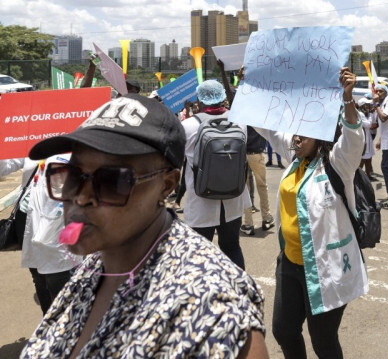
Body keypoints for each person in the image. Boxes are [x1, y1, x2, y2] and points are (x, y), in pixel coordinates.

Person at [22, 93, 267, 357]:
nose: (81, 197)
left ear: (167, 184)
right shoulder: (98, 266)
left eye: (112, 181)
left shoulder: (213, 308)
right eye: (72, 175)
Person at [255, 68, 368, 359]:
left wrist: (347, 100)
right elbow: (264, 125)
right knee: (283, 330)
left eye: (304, 133)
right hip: (290, 264)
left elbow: (354, 138)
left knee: (323, 341)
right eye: (295, 132)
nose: (296, 138)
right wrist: (250, 87)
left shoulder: (337, 164)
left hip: (325, 268)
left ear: (321, 135)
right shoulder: (294, 158)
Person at [181, 80, 251, 269]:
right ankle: (239, 291)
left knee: (198, 252)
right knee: (232, 247)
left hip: (200, 200)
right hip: (233, 199)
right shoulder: (239, 122)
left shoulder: (188, 126)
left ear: (199, 99)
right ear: (222, 98)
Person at [22, 155, 82, 315]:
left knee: (63, 300)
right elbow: (5, 166)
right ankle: (48, 334)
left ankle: (67, 335)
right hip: (33, 236)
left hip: (59, 242)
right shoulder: (31, 147)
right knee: (43, 291)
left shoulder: (74, 151)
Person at [240, 125, 275, 236]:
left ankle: (248, 224)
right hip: (257, 153)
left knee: (245, 188)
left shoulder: (240, 115)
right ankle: (267, 217)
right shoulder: (259, 116)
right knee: (262, 186)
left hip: (243, 153)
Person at [358, 97, 377, 180]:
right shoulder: (360, 114)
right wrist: (371, 114)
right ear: (363, 106)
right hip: (364, 138)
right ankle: (358, 177)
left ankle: (368, 175)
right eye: (367, 105)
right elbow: (368, 124)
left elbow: (373, 123)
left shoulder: (366, 114)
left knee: (368, 158)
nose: (369, 106)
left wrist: (372, 114)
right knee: (362, 158)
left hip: (367, 137)